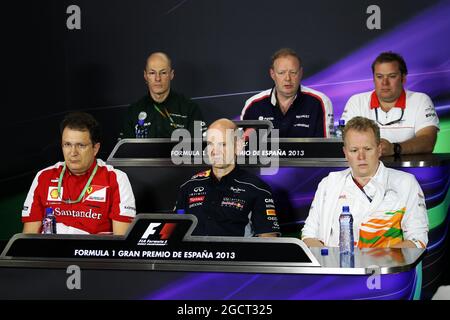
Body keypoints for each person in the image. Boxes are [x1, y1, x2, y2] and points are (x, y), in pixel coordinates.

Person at [301, 116, 428, 248]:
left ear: (379, 150)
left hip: (388, 267)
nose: (361, 157)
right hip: (337, 266)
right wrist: (330, 262)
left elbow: (417, 239)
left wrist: (379, 260)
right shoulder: (329, 184)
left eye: (367, 149)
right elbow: (309, 235)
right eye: (354, 150)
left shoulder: (406, 183)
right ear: (345, 153)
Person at [22, 112, 136, 235]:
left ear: (95, 149)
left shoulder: (116, 179)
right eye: (67, 145)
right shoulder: (44, 177)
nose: (73, 152)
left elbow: (121, 242)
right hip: (51, 252)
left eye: (80, 145)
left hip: (91, 252)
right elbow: (29, 238)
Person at [175, 119, 280, 237]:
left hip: (239, 255)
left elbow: (268, 239)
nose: (215, 151)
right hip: (194, 254)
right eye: (210, 144)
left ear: (238, 146)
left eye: (223, 144)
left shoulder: (258, 189)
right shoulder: (189, 186)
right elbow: (176, 232)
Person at [341, 51, 439, 156]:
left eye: (392, 76)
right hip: (365, 170)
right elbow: (345, 141)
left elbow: (428, 141)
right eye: (379, 76)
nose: (384, 82)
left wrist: (394, 148)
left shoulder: (420, 100)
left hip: (409, 170)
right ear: (373, 79)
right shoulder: (356, 102)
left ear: (403, 78)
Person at [241, 48, 334, 138]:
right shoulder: (253, 105)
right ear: (272, 74)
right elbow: (241, 147)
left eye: (293, 72)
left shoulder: (319, 102)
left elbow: (327, 148)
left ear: (301, 73)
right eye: (281, 73)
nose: (287, 78)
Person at [121, 52, 206, 138]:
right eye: (152, 73)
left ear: (171, 75)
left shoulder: (191, 109)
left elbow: (199, 146)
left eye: (163, 73)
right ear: (145, 76)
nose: (158, 78)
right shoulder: (133, 112)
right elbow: (124, 150)